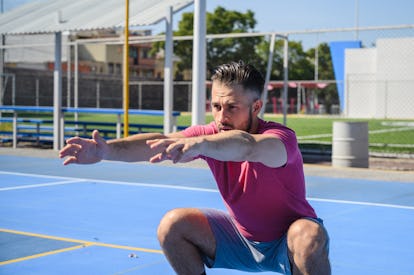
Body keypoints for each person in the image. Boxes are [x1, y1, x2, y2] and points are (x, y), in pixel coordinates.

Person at [59, 61, 331, 275]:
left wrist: (202, 144)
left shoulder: (281, 139)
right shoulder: (209, 134)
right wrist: (108, 150)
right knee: (173, 224)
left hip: (287, 244)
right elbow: (160, 143)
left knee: (308, 235)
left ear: (256, 106)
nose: (221, 117)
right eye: (216, 106)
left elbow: (247, 146)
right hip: (239, 239)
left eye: (232, 107)